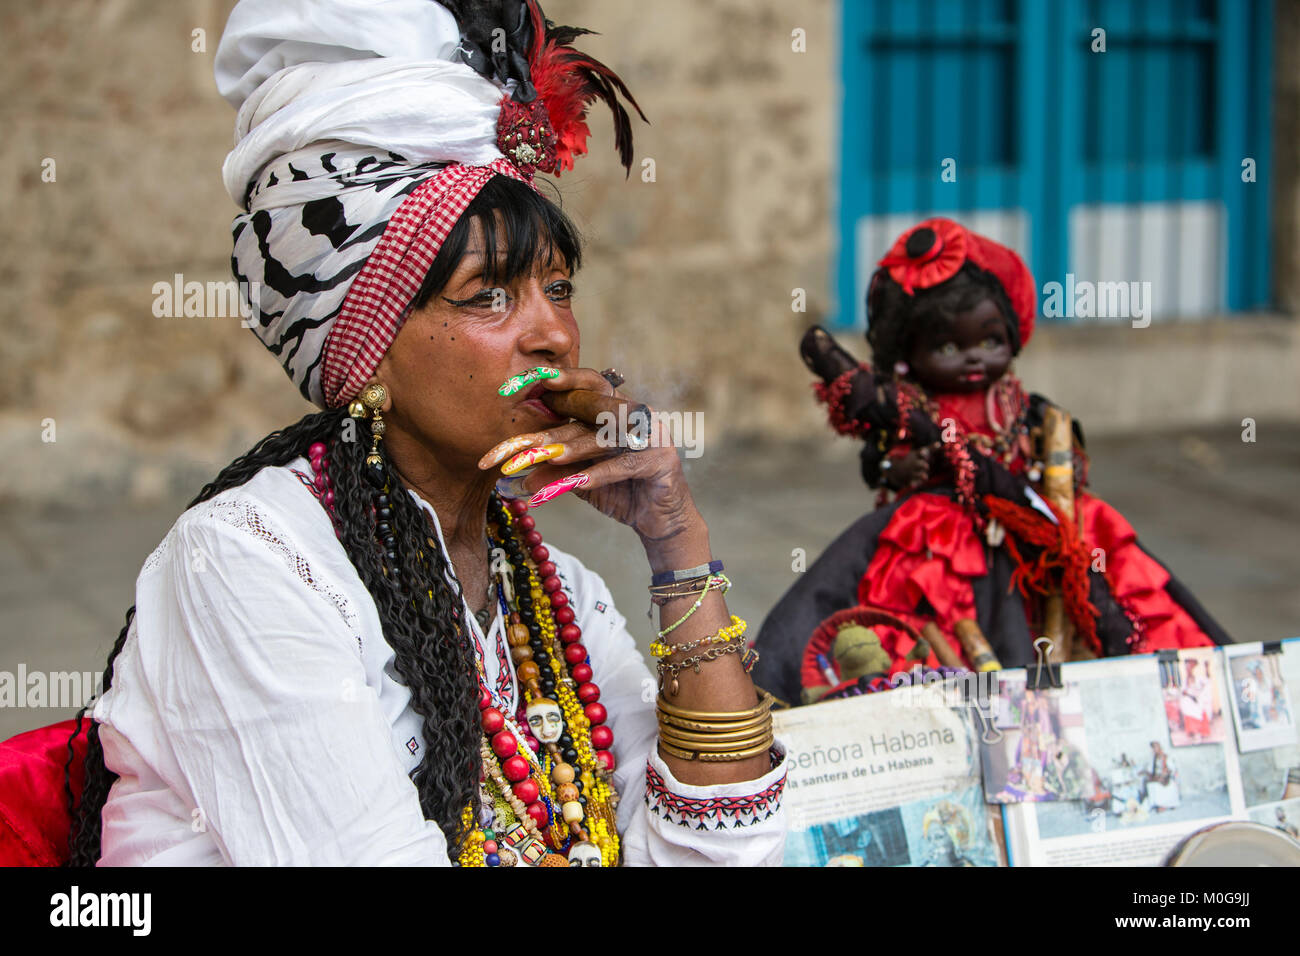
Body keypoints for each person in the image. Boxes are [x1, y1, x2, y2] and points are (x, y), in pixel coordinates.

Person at [63, 0, 787, 867]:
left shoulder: (555, 593)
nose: (553, 335)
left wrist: (677, 544)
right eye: (488, 295)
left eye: (557, 290)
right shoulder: (249, 566)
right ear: (366, 354)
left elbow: (724, 848)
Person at [754, 219, 1231, 699]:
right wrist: (894, 468)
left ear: (1012, 336)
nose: (972, 358)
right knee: (912, 617)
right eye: (946, 348)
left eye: (989, 341)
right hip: (941, 537)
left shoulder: (1022, 406)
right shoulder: (911, 409)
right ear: (906, 354)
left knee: (1107, 584)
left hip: (1034, 527)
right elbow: (875, 461)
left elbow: (1062, 452)